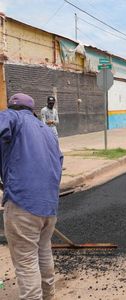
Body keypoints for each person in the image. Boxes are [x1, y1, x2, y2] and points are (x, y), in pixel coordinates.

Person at [1, 93, 63, 299]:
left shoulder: (12, 117)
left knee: (26, 261)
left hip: (22, 202)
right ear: (33, 110)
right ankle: (48, 295)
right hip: (49, 206)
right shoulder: (46, 130)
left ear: (12, 107)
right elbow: (59, 161)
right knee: (43, 251)